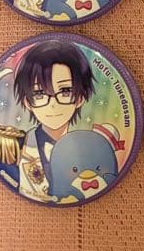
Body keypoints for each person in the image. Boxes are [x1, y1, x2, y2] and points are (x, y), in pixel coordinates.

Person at [12, 38, 96, 201]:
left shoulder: (90, 151)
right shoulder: (15, 148)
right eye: (39, 93)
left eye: (65, 91)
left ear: (80, 98)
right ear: (28, 102)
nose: (53, 104)